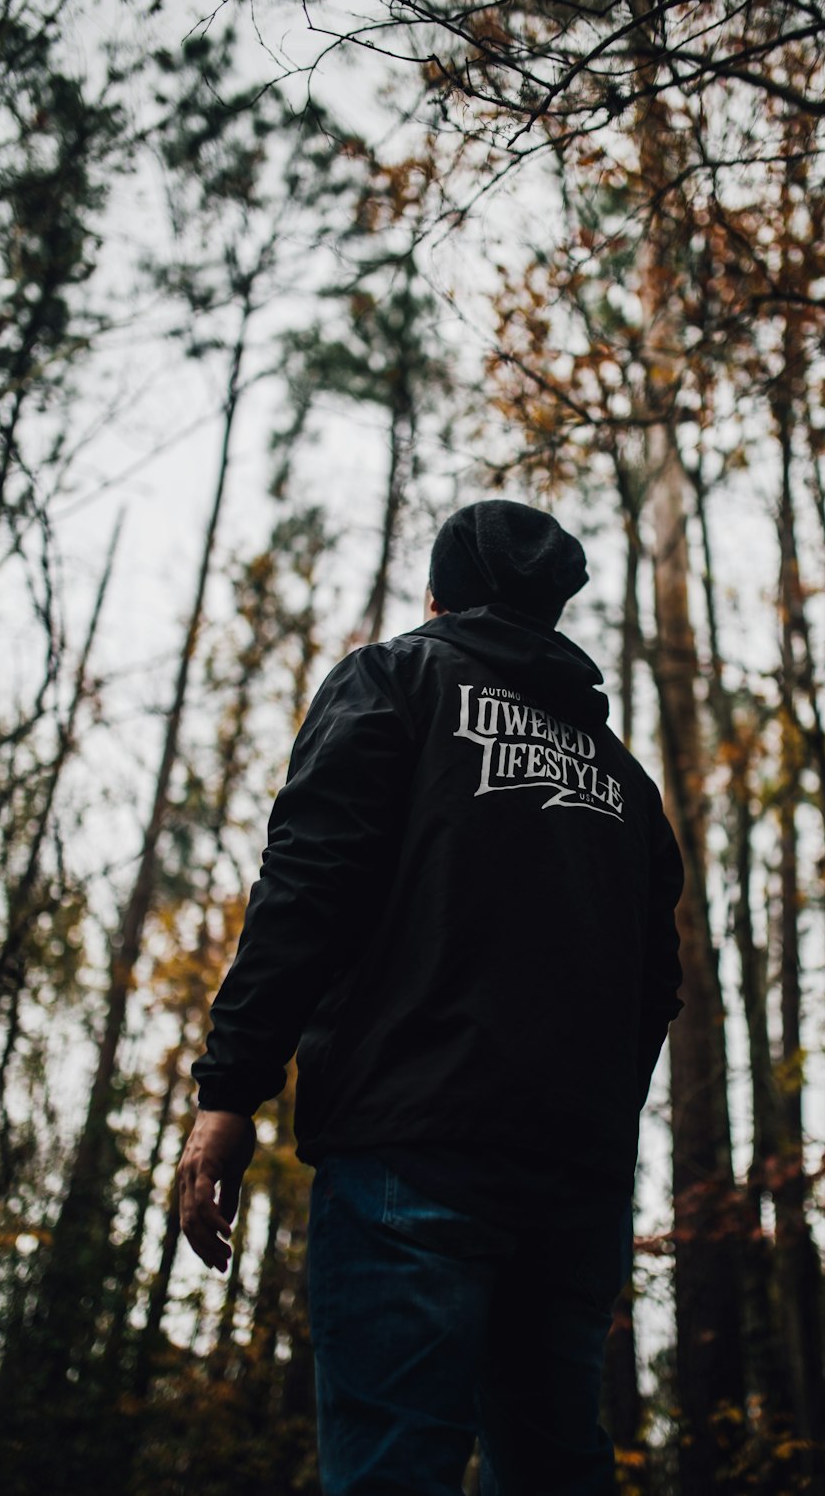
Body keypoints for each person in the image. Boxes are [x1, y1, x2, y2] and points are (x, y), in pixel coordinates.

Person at [178, 499, 684, 1496]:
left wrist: (230, 1090)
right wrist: (584, 1122)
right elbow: (655, 984)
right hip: (574, 1185)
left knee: (391, 1465)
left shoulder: (396, 678)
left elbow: (307, 884)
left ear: (439, 594)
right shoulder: (623, 781)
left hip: (412, 1149)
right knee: (553, 1469)